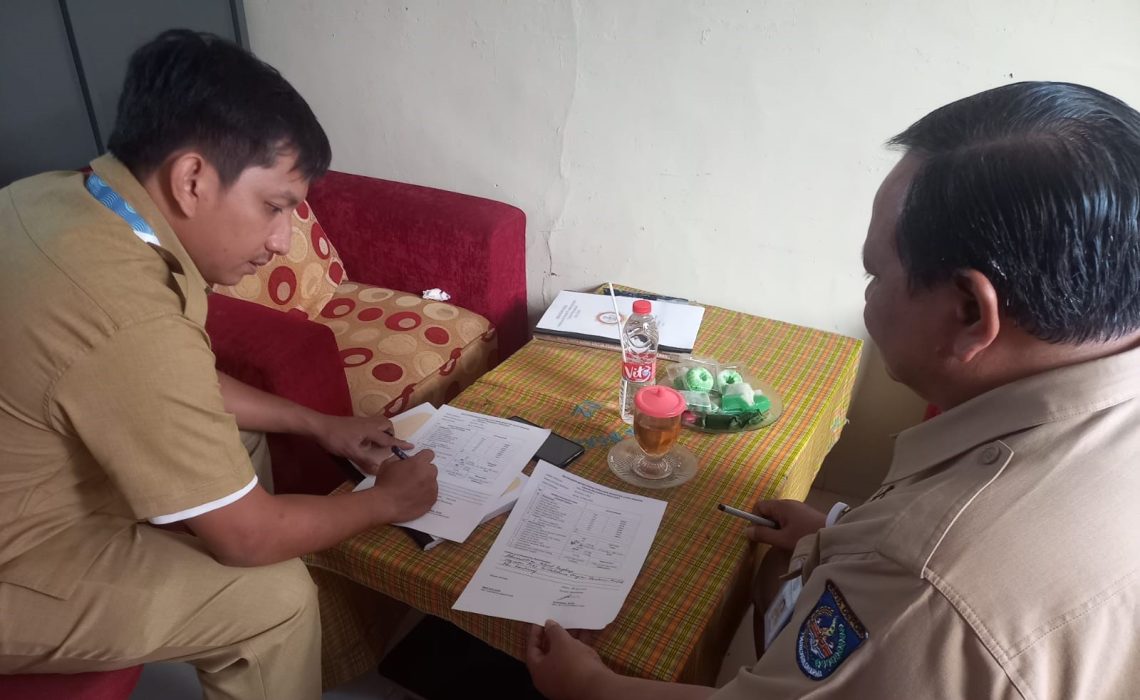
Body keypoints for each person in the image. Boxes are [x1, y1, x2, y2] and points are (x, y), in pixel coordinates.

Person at [526, 81, 1140, 698]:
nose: (867, 296)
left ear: (969, 313)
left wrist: (590, 687)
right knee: (771, 572)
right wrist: (843, 531)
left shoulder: (926, 590)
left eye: (876, 274)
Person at [0, 30, 438, 699]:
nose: (282, 240)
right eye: (274, 206)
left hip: (30, 468)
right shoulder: (123, 310)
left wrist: (319, 424)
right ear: (192, 180)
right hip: (19, 551)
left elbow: (170, 380)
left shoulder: (56, 198)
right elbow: (248, 539)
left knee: (246, 436)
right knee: (275, 601)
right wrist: (385, 503)